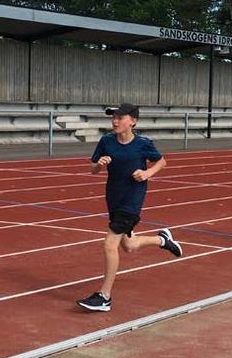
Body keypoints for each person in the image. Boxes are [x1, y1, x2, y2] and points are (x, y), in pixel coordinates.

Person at [77, 104, 182, 312]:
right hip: (114, 197)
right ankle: (162, 239)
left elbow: (161, 162)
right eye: (113, 118)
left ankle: (104, 296)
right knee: (129, 245)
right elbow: (92, 169)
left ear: (133, 121)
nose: (115, 121)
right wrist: (100, 164)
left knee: (109, 245)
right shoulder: (106, 141)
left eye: (120, 117)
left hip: (132, 199)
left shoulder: (143, 143)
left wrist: (147, 173)